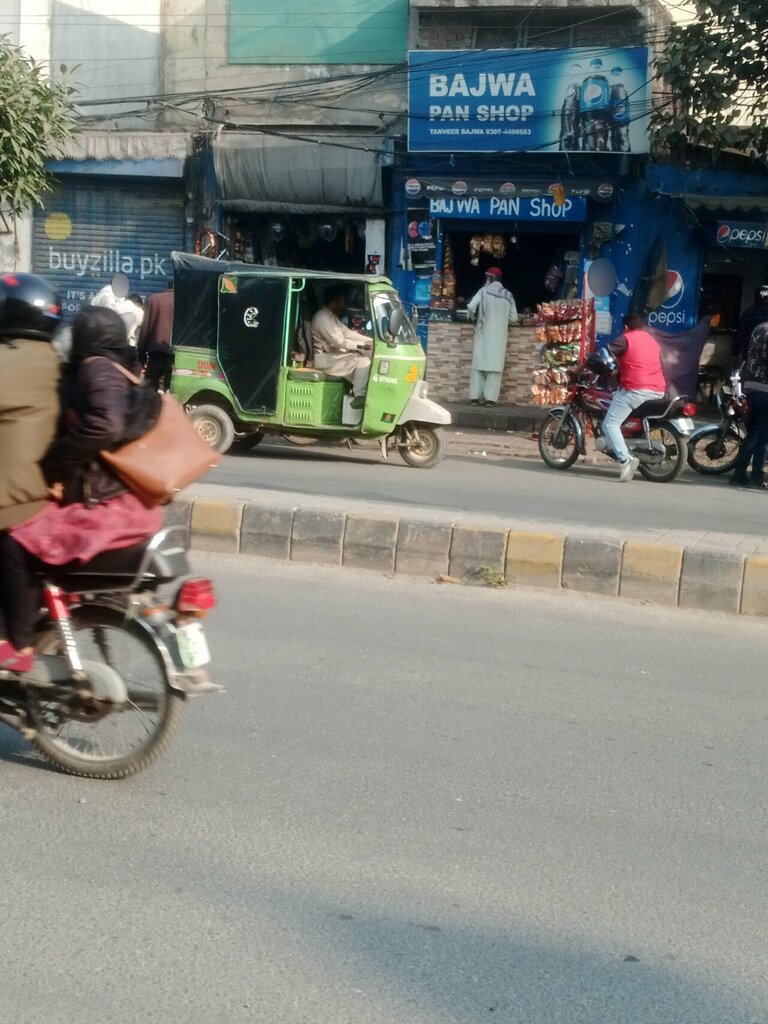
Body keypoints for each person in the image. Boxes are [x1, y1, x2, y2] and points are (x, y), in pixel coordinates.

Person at [0, 307, 163, 671]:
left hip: (104, 505)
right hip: (123, 501)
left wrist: (56, 462)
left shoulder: (97, 367)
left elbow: (106, 425)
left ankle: (19, 648)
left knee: (15, 543)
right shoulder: (125, 368)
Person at [0, 273, 62, 672]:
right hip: (46, 486)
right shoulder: (54, 357)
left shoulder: (8, 356)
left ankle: (11, 645)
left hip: (17, 494)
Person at [601, 312, 667, 482]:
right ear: (643, 326)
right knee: (620, 399)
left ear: (625, 327)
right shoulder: (652, 341)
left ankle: (625, 460)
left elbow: (605, 354)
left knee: (609, 424)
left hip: (637, 389)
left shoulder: (625, 339)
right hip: (658, 389)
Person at [310, 285, 372, 408]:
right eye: (342, 301)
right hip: (326, 360)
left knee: (367, 359)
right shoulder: (322, 318)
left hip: (336, 357)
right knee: (363, 362)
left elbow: (347, 333)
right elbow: (339, 342)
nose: (343, 305)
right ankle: (359, 396)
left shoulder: (331, 317)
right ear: (334, 301)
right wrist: (360, 346)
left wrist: (370, 341)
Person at [466, 266, 518, 407]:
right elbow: (514, 318)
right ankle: (490, 400)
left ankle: (474, 399)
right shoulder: (508, 295)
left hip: (483, 335)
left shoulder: (483, 292)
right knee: (494, 370)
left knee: (478, 367)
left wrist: (471, 318)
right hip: (499, 338)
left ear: (490, 278)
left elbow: (471, 307)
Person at [730, 319, 768, 489]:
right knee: (763, 438)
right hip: (766, 390)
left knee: (752, 434)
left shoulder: (758, 328)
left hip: (751, 387)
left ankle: (738, 474)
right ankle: (756, 477)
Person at [138, 282, 175, 391]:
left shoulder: (153, 299)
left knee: (150, 387)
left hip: (156, 352)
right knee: (170, 389)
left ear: (167, 285)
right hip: (175, 355)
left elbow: (145, 327)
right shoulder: (184, 302)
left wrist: (141, 353)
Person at [733, 284, 768, 364]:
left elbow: (740, 335)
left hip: (750, 354)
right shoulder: (748, 313)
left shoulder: (748, 313)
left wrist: (735, 353)